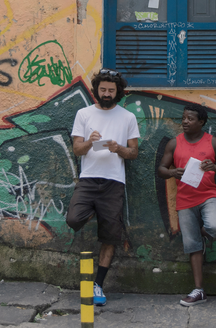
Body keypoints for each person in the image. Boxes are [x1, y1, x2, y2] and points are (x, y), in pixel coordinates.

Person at [66, 68, 140, 306]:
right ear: (96, 90)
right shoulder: (84, 114)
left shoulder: (127, 117)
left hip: (114, 182)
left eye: (111, 90)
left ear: (118, 92)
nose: (107, 94)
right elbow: (77, 149)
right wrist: (90, 142)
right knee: (74, 219)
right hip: (88, 179)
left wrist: (119, 149)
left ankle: (97, 284)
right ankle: (96, 212)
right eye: (103, 89)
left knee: (110, 237)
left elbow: (134, 152)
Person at [157, 103, 216, 306]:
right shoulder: (174, 143)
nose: (185, 122)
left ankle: (201, 235)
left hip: (208, 195)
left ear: (201, 122)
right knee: (192, 246)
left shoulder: (212, 142)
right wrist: (172, 172)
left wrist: (214, 167)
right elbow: (161, 169)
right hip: (185, 200)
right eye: (184, 118)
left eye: (190, 119)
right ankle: (199, 291)